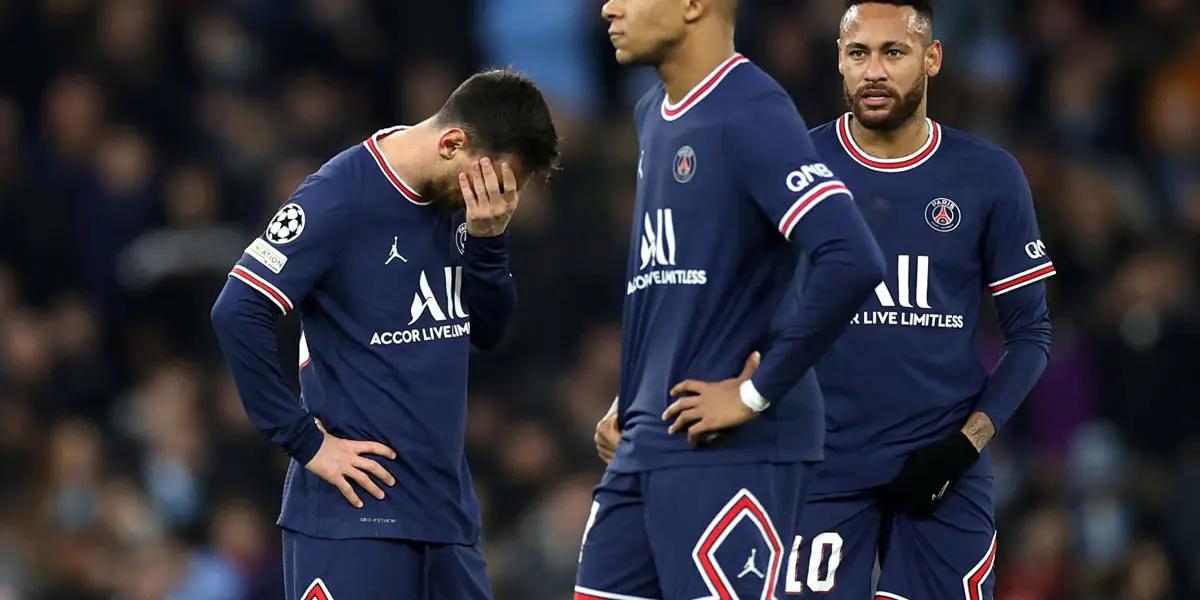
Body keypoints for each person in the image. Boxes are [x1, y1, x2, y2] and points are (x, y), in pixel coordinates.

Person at [210, 69, 559, 600]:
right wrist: (304, 441)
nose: (497, 199)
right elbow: (238, 308)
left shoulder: (464, 210)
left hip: (447, 521)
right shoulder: (341, 195)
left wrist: (489, 243)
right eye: (493, 182)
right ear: (452, 143)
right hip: (353, 523)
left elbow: (489, 331)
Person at [581, 1, 886, 598]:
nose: (608, 7)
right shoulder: (652, 114)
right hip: (651, 438)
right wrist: (636, 396)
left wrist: (755, 391)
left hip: (730, 448)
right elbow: (681, 279)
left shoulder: (750, 109)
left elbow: (851, 257)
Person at [784, 2, 1055, 598]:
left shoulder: (988, 176)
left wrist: (963, 447)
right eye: (859, 53)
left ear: (931, 59)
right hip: (821, 463)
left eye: (894, 52)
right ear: (839, 61)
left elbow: (1030, 335)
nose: (874, 71)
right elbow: (738, 309)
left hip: (942, 466)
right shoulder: (794, 168)